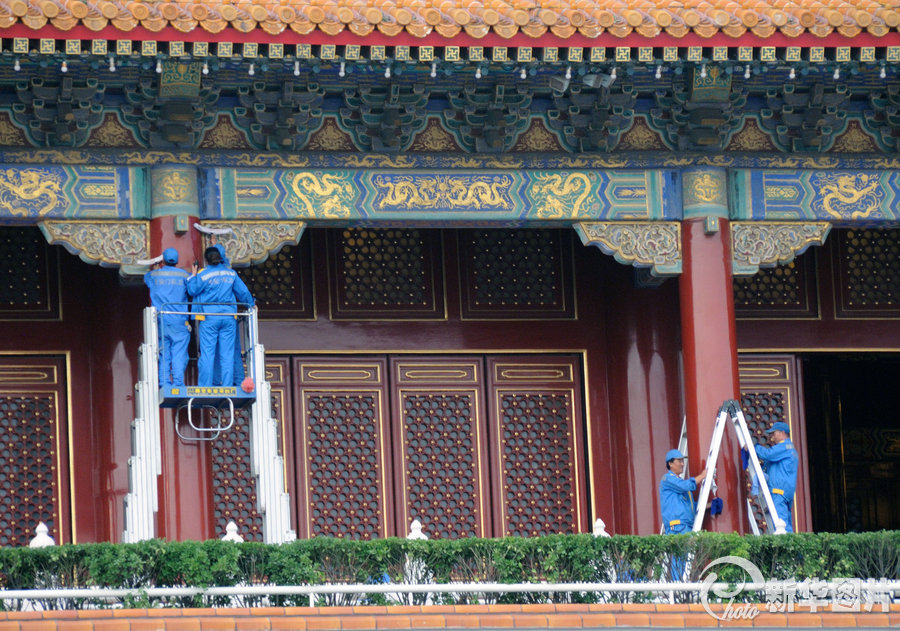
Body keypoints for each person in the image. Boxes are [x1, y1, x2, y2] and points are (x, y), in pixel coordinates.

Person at [187, 246, 255, 387]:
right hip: (229, 317)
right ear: (220, 259)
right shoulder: (231, 274)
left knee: (207, 354)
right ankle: (227, 386)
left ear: (206, 260)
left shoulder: (203, 274)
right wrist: (252, 304)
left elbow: (192, 290)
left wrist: (192, 276)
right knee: (227, 354)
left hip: (209, 317)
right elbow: (243, 292)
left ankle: (205, 387)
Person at [143, 248, 190, 387]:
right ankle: (178, 382)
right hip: (179, 321)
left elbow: (147, 278)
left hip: (161, 321)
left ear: (163, 260)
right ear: (176, 261)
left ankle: (164, 382)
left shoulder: (154, 275)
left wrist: (155, 268)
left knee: (164, 353)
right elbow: (192, 288)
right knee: (179, 353)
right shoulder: (184, 275)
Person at [754, 421, 799, 532]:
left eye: (774, 433)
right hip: (785, 492)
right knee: (786, 525)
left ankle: (787, 549)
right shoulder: (789, 449)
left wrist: (754, 447)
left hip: (779, 492)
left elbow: (768, 455)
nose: (772, 437)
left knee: (780, 525)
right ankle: (792, 548)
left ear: (782, 433)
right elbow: (771, 463)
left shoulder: (784, 447)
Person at [659, 449, 707, 534]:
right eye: (679, 461)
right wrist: (703, 476)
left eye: (683, 461)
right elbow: (686, 486)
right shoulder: (667, 478)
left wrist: (709, 505)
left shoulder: (678, 482)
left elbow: (690, 506)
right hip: (677, 527)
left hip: (685, 527)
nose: (682, 464)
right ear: (670, 463)